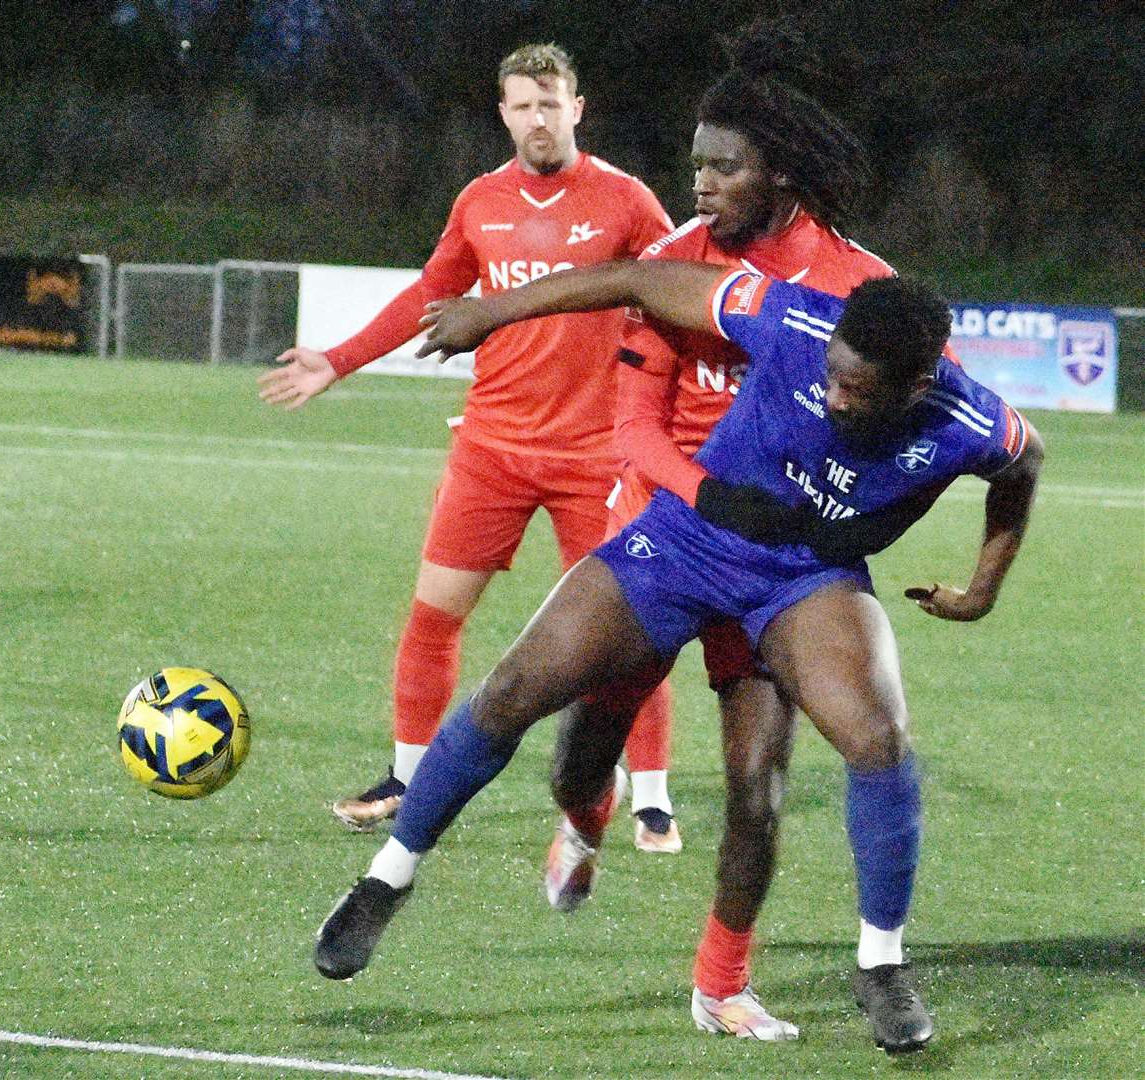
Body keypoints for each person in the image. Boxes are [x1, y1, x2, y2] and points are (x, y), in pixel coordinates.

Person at [312, 261, 1043, 1055]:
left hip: (802, 579)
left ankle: (880, 965)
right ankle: (389, 876)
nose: (836, 397)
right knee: (514, 690)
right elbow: (637, 279)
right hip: (688, 545)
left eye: (859, 392)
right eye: (834, 378)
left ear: (918, 383)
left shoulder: (966, 420)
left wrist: (982, 588)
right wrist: (492, 311)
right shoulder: (791, 319)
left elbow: (1024, 462)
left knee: (875, 742)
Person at [548, 23, 911, 1031]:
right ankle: (585, 817)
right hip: (668, 525)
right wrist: (705, 501)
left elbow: (883, 439)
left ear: (776, 168)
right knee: (589, 740)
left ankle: (720, 984)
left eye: (719, 163)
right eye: (696, 162)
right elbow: (633, 424)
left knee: (758, 781)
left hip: (771, 561)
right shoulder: (670, 262)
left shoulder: (859, 285)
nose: (700, 181)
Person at [257, 44, 677, 846]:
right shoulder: (480, 201)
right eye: (523, 105)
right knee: (434, 616)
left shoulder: (626, 201)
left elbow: (677, 284)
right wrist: (338, 360)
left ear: (577, 109)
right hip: (492, 448)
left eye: (551, 103)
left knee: (631, 630)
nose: (538, 118)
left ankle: (651, 794)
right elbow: (430, 292)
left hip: (597, 457)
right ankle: (409, 780)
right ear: (505, 113)